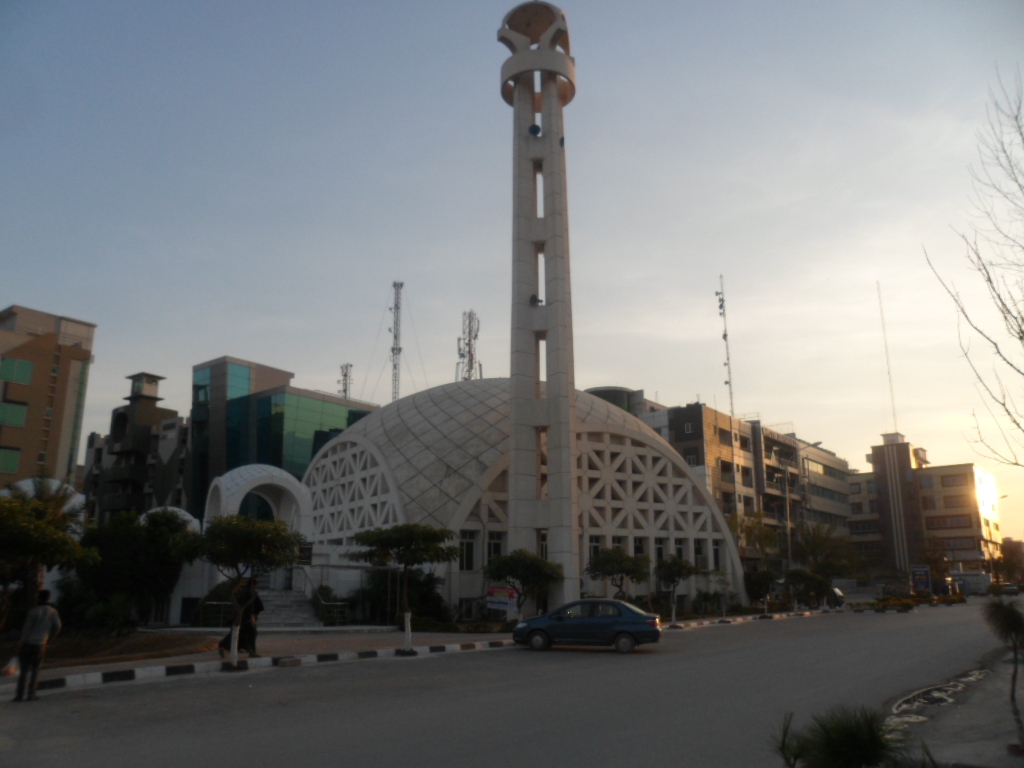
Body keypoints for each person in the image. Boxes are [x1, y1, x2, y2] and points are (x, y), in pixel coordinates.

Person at [14, 589, 62, 702]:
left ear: (39, 597)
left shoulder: (33, 611)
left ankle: (19, 695)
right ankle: (31, 694)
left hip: (28, 644)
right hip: (41, 644)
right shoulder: (52, 611)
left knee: (24, 670)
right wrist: (50, 638)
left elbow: (26, 630)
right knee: (36, 670)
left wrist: (19, 645)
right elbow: (58, 627)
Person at [218, 579, 265, 658]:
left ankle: (224, 647)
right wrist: (252, 616)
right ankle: (251, 652)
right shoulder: (250, 594)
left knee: (239, 634)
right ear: (254, 585)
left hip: (242, 618)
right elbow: (251, 607)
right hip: (247, 618)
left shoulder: (244, 593)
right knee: (251, 634)